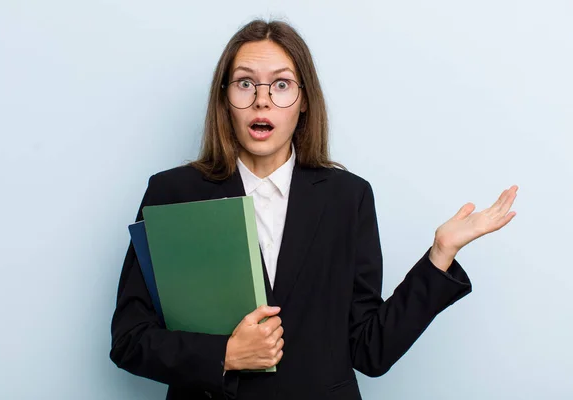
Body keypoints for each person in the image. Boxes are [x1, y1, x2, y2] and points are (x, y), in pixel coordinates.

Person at [109, 19, 518, 400]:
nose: (262, 101)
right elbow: (129, 339)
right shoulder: (173, 192)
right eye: (245, 84)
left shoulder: (348, 197)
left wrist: (440, 256)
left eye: (281, 85)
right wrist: (226, 353)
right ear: (224, 99)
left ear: (304, 100)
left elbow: (369, 350)